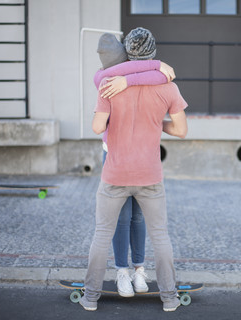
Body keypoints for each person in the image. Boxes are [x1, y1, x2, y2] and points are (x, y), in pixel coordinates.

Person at [80, 27, 188, 312]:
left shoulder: (109, 84)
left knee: (102, 233)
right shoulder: (168, 87)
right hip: (149, 175)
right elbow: (181, 130)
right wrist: (156, 124)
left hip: (115, 173)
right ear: (153, 52)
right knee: (161, 235)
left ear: (127, 52)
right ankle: (170, 298)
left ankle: (90, 297)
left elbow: (96, 127)